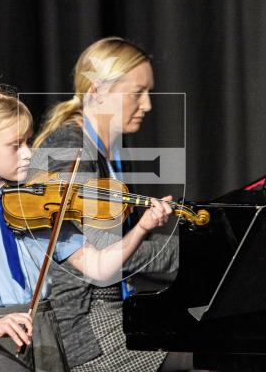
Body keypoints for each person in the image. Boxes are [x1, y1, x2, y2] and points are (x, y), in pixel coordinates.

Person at [0, 84, 173, 372]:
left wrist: (142, 227)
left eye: (29, 142)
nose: (29, 154)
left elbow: (100, 267)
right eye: (16, 145)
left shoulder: (37, 205)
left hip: (43, 335)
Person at [32, 37, 192, 372]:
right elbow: (105, 255)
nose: (147, 104)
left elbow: (131, 243)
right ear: (97, 91)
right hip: (82, 326)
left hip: (119, 305)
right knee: (205, 355)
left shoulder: (112, 150)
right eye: (137, 92)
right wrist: (197, 253)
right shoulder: (68, 151)